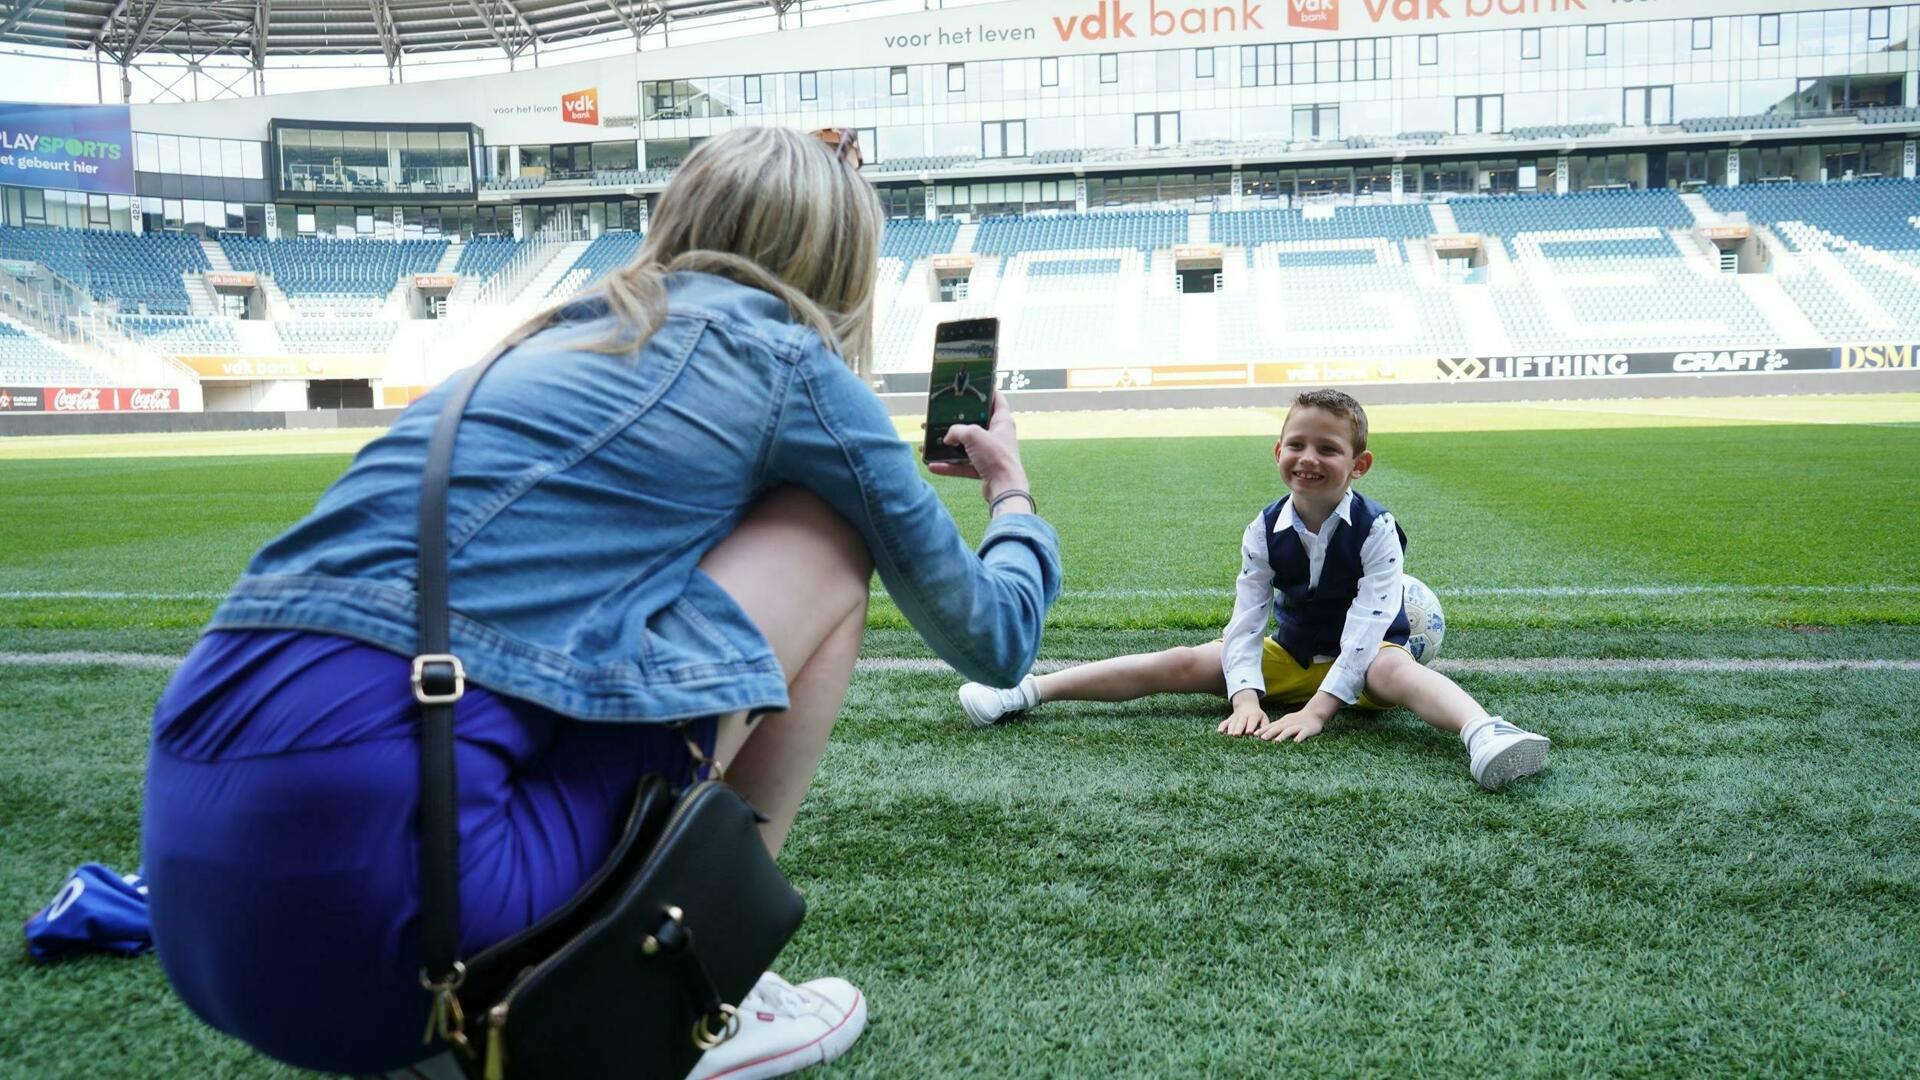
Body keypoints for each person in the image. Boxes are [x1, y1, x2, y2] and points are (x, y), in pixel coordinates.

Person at [140, 126, 1061, 1078]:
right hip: (409, 911)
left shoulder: (544, 337)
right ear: (840, 267)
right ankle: (684, 988)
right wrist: (1011, 494)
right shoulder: (794, 367)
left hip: (201, 904)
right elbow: (996, 640)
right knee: (827, 537)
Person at [957, 389, 1548, 791]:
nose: (1308, 459)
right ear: (1278, 452)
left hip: (1363, 664)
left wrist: (1319, 711)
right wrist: (1245, 695)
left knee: (1397, 672)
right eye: (1297, 444)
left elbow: (1369, 628)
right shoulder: (1263, 529)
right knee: (1187, 661)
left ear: (1359, 463)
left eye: (1328, 449)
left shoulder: (1378, 530)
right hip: (1288, 658)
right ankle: (1025, 692)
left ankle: (1486, 734)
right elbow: (1247, 621)